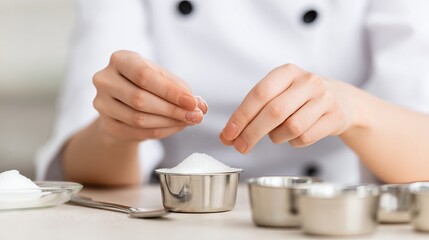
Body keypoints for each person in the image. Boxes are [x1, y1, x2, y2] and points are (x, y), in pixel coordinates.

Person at [36, 0, 429, 186]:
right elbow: (78, 172)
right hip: (172, 219)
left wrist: (354, 108)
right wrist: (116, 129)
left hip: (330, 213)